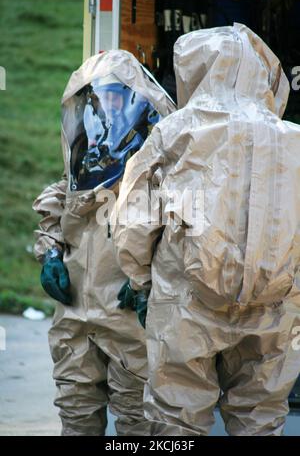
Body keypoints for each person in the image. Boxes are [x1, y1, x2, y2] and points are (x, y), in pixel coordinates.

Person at [111, 23, 300, 436]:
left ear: (194, 70)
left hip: (188, 299)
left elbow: (134, 216)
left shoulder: (177, 131)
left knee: (176, 418)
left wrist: (141, 278)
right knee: (262, 416)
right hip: (275, 302)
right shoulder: (294, 139)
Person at [32, 49, 175, 436]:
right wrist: (50, 254)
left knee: (137, 424)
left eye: (116, 96)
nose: (106, 106)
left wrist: (148, 283)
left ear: (138, 105)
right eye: (97, 98)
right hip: (77, 316)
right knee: (76, 416)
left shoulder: (159, 175)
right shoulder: (81, 169)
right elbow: (54, 214)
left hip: (131, 323)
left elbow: (180, 243)